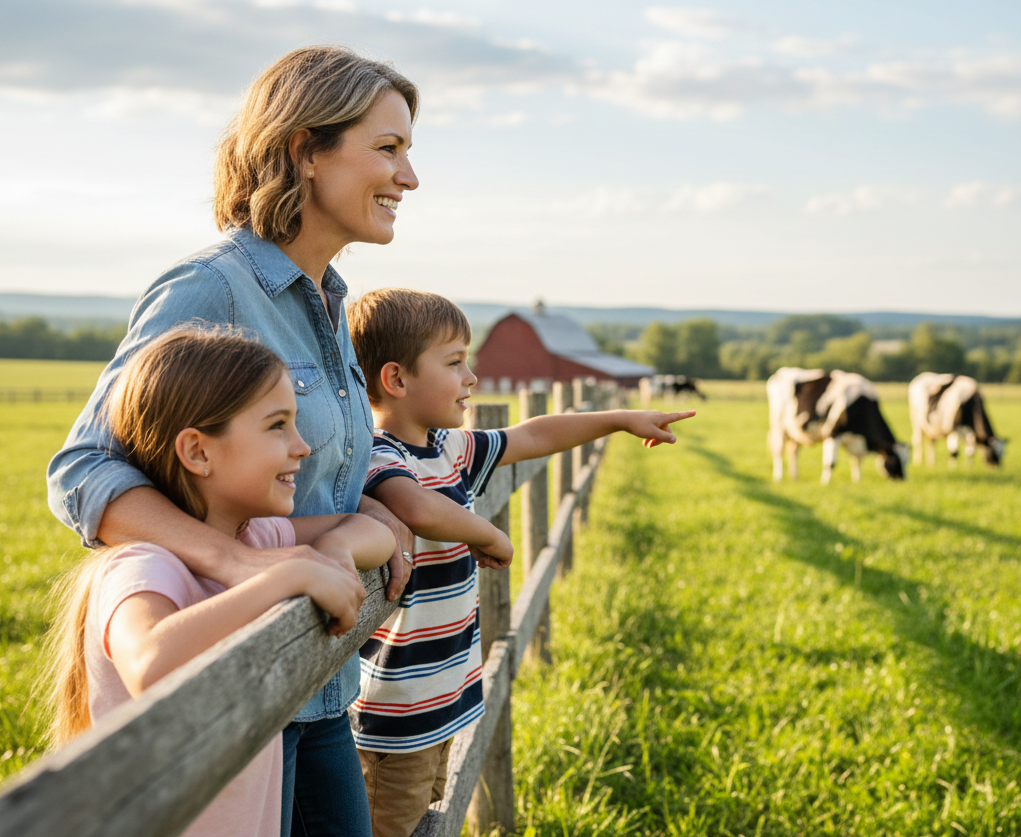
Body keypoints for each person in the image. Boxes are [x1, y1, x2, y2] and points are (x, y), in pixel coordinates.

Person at [46, 46, 419, 837]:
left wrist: (382, 503)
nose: (408, 177)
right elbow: (82, 469)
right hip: (238, 688)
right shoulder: (212, 288)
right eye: (387, 148)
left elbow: (331, 454)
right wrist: (241, 561)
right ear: (304, 152)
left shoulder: (327, 299)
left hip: (319, 682)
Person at [345, 288, 695, 837]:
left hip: (443, 694)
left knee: (425, 818)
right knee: (391, 825)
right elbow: (416, 507)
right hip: (399, 710)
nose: (472, 379)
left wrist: (622, 418)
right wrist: (492, 535)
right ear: (396, 380)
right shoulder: (379, 453)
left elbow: (533, 434)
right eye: (455, 362)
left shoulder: (447, 449)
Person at [43, 327, 395, 837]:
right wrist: (291, 573)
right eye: (277, 425)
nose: (301, 447)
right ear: (198, 453)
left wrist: (331, 551)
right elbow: (152, 663)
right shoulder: (145, 564)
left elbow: (377, 533)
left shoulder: (256, 540)